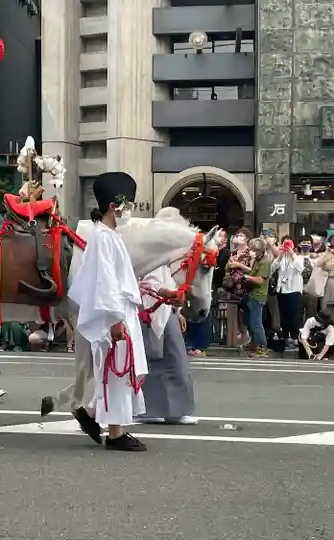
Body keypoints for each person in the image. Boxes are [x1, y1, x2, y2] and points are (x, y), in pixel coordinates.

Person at [68, 171, 148, 452]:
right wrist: (115, 320)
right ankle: (115, 433)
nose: (131, 211)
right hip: (114, 314)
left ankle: (92, 415)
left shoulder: (108, 236)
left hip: (119, 312)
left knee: (119, 372)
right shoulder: (103, 237)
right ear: (115, 207)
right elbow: (106, 281)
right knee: (117, 372)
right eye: (129, 205)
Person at [136, 260, 197, 425]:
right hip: (151, 308)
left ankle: (173, 411)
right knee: (157, 358)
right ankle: (152, 410)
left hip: (164, 308)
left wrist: (178, 312)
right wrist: (168, 293)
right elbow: (150, 282)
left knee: (173, 359)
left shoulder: (167, 260)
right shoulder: (154, 256)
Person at [271, 239, 304, 346]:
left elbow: (300, 268)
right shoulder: (281, 259)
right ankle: (285, 336)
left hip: (294, 290)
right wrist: (279, 256)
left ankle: (295, 336)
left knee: (294, 315)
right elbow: (272, 269)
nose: (285, 251)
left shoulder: (298, 258)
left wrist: (293, 255)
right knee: (283, 315)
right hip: (282, 290)